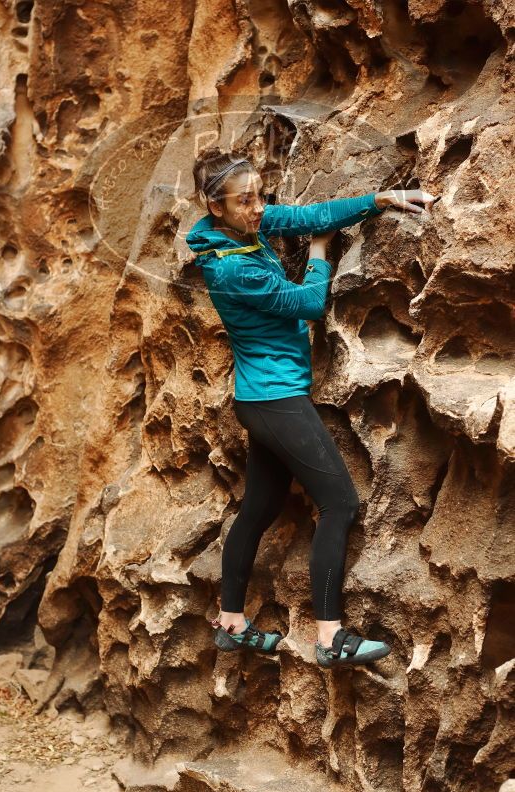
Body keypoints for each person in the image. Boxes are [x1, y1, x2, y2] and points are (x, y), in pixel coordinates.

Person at [185, 149, 438, 667]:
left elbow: (305, 216)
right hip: (276, 401)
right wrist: (321, 253)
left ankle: (232, 623)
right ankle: (331, 639)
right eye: (245, 201)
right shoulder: (232, 269)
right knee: (340, 503)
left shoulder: (242, 228)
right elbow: (307, 303)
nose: (258, 208)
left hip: (261, 400)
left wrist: (380, 199)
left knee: (259, 505)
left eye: (260, 196)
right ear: (215, 206)